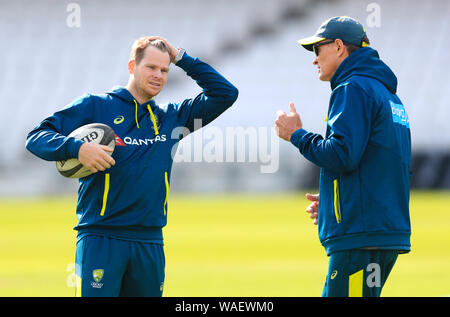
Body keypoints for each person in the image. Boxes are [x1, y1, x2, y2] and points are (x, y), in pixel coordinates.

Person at [26, 36, 238, 297]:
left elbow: (226, 94)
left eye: (164, 70)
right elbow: (36, 136)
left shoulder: (171, 118)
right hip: (101, 238)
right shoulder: (96, 105)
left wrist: (180, 57)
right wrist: (78, 148)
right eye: (151, 67)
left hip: (150, 241)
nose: (158, 75)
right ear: (132, 67)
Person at [275, 16, 411, 297]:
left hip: (360, 238)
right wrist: (333, 202)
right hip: (383, 233)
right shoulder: (387, 95)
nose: (314, 59)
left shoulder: (352, 88)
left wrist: (296, 134)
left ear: (338, 47)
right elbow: (379, 167)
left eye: (317, 49)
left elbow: (342, 154)